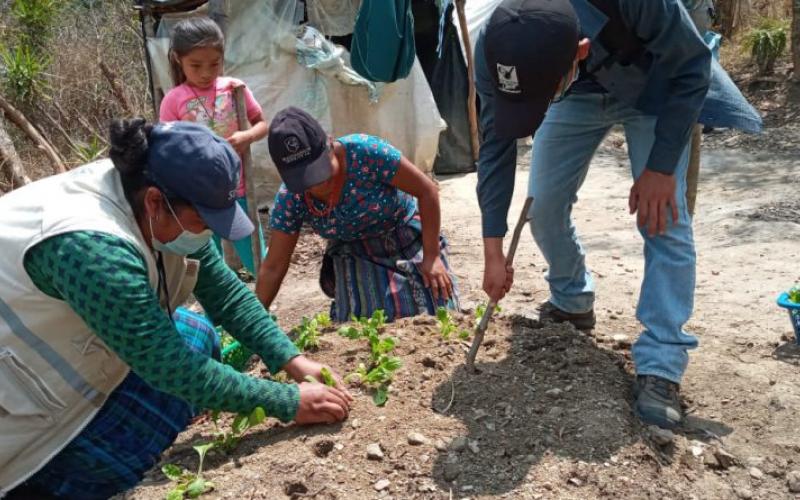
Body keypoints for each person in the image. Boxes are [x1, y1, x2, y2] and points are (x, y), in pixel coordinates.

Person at [0, 120, 351, 499]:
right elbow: (170, 367)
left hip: (71, 338)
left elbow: (226, 294)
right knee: (122, 439)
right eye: (203, 221)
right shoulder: (91, 249)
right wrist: (286, 401)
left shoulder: (159, 192)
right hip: (22, 392)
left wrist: (291, 359)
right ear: (155, 202)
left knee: (197, 337)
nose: (208, 233)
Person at [474, 0, 713, 429]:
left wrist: (659, 168)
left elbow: (693, 67)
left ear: (580, 51)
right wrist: (493, 247)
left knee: (664, 218)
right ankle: (572, 302)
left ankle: (661, 363)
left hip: (656, 82)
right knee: (543, 204)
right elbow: (495, 142)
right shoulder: (499, 41)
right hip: (571, 92)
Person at [256, 107, 459, 322]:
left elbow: (427, 191)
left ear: (330, 146)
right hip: (353, 250)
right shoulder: (291, 198)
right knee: (371, 318)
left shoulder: (366, 152)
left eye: (320, 172)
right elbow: (274, 266)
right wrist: (255, 322)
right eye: (306, 180)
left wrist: (432, 257)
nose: (316, 185)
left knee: (437, 309)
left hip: (404, 234)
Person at [159, 16, 267, 275]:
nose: (207, 73)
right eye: (196, 66)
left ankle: (265, 308)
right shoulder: (174, 100)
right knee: (213, 267)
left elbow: (262, 124)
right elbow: (165, 147)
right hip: (198, 199)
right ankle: (222, 314)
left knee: (256, 256)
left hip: (237, 191)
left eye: (214, 64)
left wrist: (247, 137)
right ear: (178, 59)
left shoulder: (234, 90)